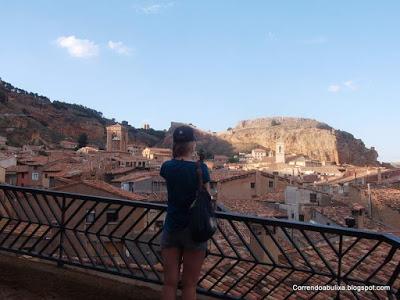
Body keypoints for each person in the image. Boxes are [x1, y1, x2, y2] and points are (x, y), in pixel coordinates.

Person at [160, 125, 211, 300]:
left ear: (175, 144)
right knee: (189, 285)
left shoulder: (167, 167)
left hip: (172, 227)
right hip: (194, 230)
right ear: (193, 145)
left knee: (169, 282)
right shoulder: (201, 169)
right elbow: (207, 196)